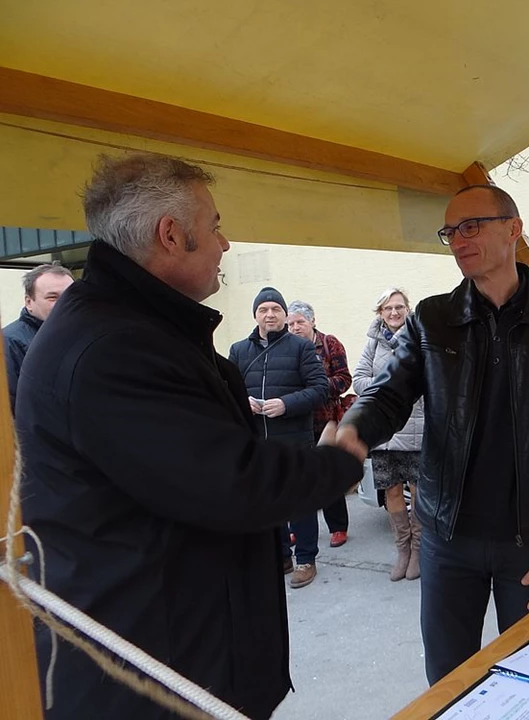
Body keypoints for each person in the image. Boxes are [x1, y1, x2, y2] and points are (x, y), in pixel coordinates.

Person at [16, 153, 363, 720]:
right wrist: (341, 459)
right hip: (154, 675)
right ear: (172, 235)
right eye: (217, 225)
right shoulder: (114, 348)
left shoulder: (134, 324)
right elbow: (233, 484)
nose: (225, 244)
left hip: (182, 647)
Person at [338, 184, 529, 684]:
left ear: (513, 228)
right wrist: (353, 432)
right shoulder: (434, 317)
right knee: (448, 677)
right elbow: (388, 394)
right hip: (448, 537)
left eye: (472, 226)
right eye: (450, 232)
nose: (459, 240)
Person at [229, 288, 329, 589]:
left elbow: (319, 388)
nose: (270, 314)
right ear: (255, 315)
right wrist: (241, 400)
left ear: (285, 315)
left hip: (294, 440)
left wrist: (286, 404)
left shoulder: (300, 347)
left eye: (275, 309)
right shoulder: (238, 350)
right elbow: (227, 389)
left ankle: (306, 560)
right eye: (264, 310)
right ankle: (281, 556)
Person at [353, 287, 425, 581]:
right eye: (388, 308)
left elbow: (428, 379)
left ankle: (419, 550)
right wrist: (392, 386)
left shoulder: (420, 338)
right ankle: (403, 551)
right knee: (393, 491)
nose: (394, 312)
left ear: (408, 309)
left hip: (417, 428)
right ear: (380, 313)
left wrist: (386, 386)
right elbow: (358, 380)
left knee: (418, 492)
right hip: (384, 433)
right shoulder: (373, 344)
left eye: (399, 307)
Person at [287, 299, 353, 549]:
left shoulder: (328, 343)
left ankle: (337, 527)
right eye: (290, 323)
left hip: (325, 420)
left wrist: (315, 388)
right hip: (295, 422)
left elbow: (344, 379)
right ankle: (296, 528)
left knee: (327, 474)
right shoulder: (285, 347)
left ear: (312, 321)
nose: (294, 327)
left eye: (300, 322)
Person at [3, 262, 74, 413]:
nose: (64, 303)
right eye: (52, 297)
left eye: (70, 295)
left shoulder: (87, 335)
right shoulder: (9, 342)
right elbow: (11, 407)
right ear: (29, 302)